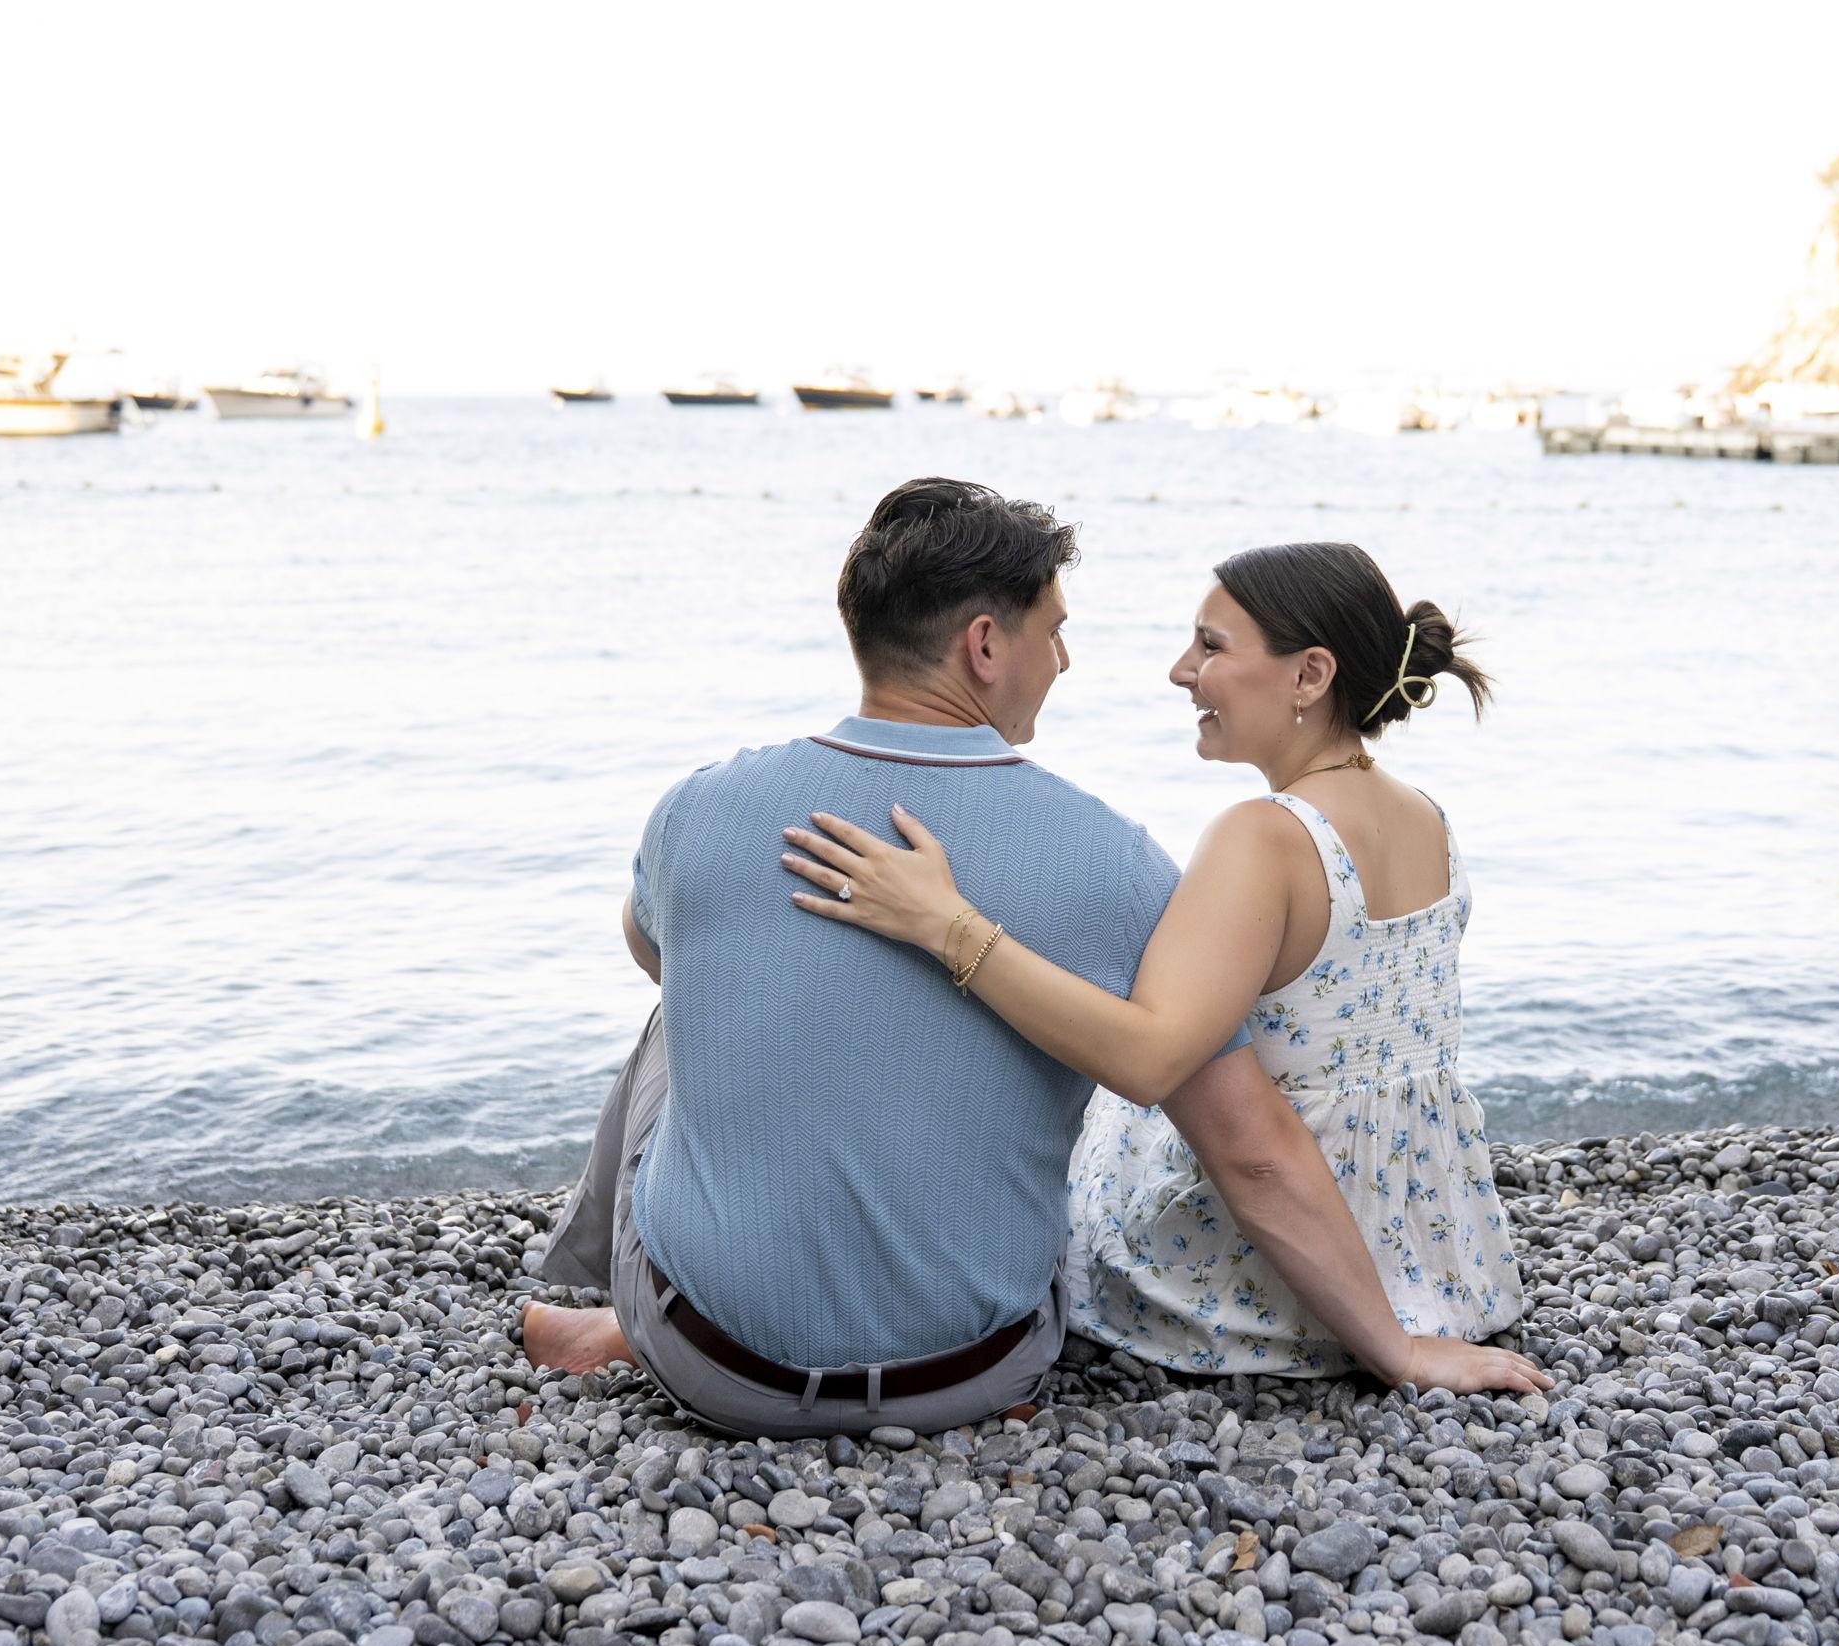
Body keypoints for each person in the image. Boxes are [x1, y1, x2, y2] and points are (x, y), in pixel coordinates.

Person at [525, 485, 1547, 1437]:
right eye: (1055, 632)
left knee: (682, 1010)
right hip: (979, 1371)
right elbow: (1248, 1138)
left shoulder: (697, 804)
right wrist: (1394, 1345)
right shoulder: (1113, 855)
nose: (1068, 662)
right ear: (983, 644)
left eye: (1206, 644)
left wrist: (915, 945)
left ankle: (606, 1300)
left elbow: (655, 954)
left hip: (707, 1365)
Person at [781, 539, 1531, 1377]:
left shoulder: (1266, 838)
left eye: (1211, 646)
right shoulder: (1424, 815)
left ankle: (745, 1322)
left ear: (1310, 676)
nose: (1182, 671)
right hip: (1432, 1256)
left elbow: (1149, 1061)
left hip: (1259, 1276)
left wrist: (946, 924)